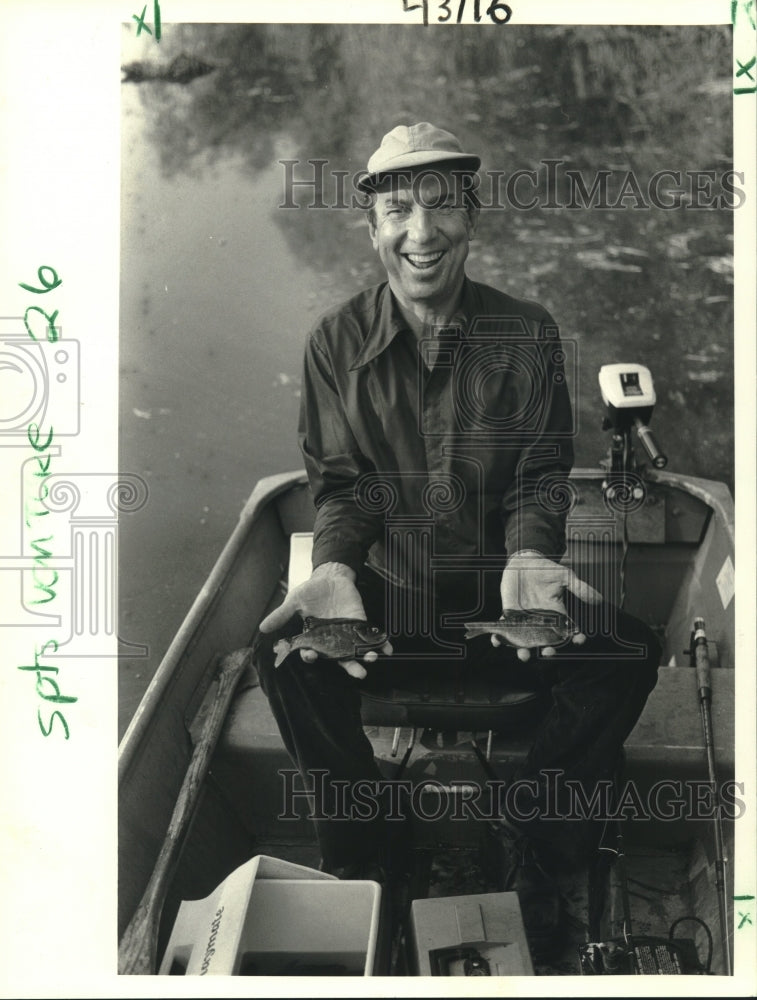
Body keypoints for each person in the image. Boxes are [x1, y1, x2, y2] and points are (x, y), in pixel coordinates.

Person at [255, 123, 660, 949]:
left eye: (441, 207)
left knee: (627, 652)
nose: (420, 231)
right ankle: (365, 850)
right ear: (371, 229)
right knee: (284, 662)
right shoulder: (333, 343)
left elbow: (541, 474)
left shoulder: (528, 331)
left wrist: (529, 553)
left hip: (504, 610)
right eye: (397, 210)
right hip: (390, 612)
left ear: (470, 219)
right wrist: (332, 565)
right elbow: (342, 487)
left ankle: (542, 848)